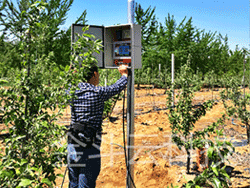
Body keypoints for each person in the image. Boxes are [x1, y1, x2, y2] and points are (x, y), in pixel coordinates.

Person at [67, 64, 128, 188]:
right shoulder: (97, 92)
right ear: (94, 74)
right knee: (86, 184)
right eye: (98, 74)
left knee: (73, 183)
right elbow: (116, 87)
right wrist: (124, 75)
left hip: (72, 145)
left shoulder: (71, 91)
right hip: (89, 147)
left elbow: (68, 83)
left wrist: (72, 73)